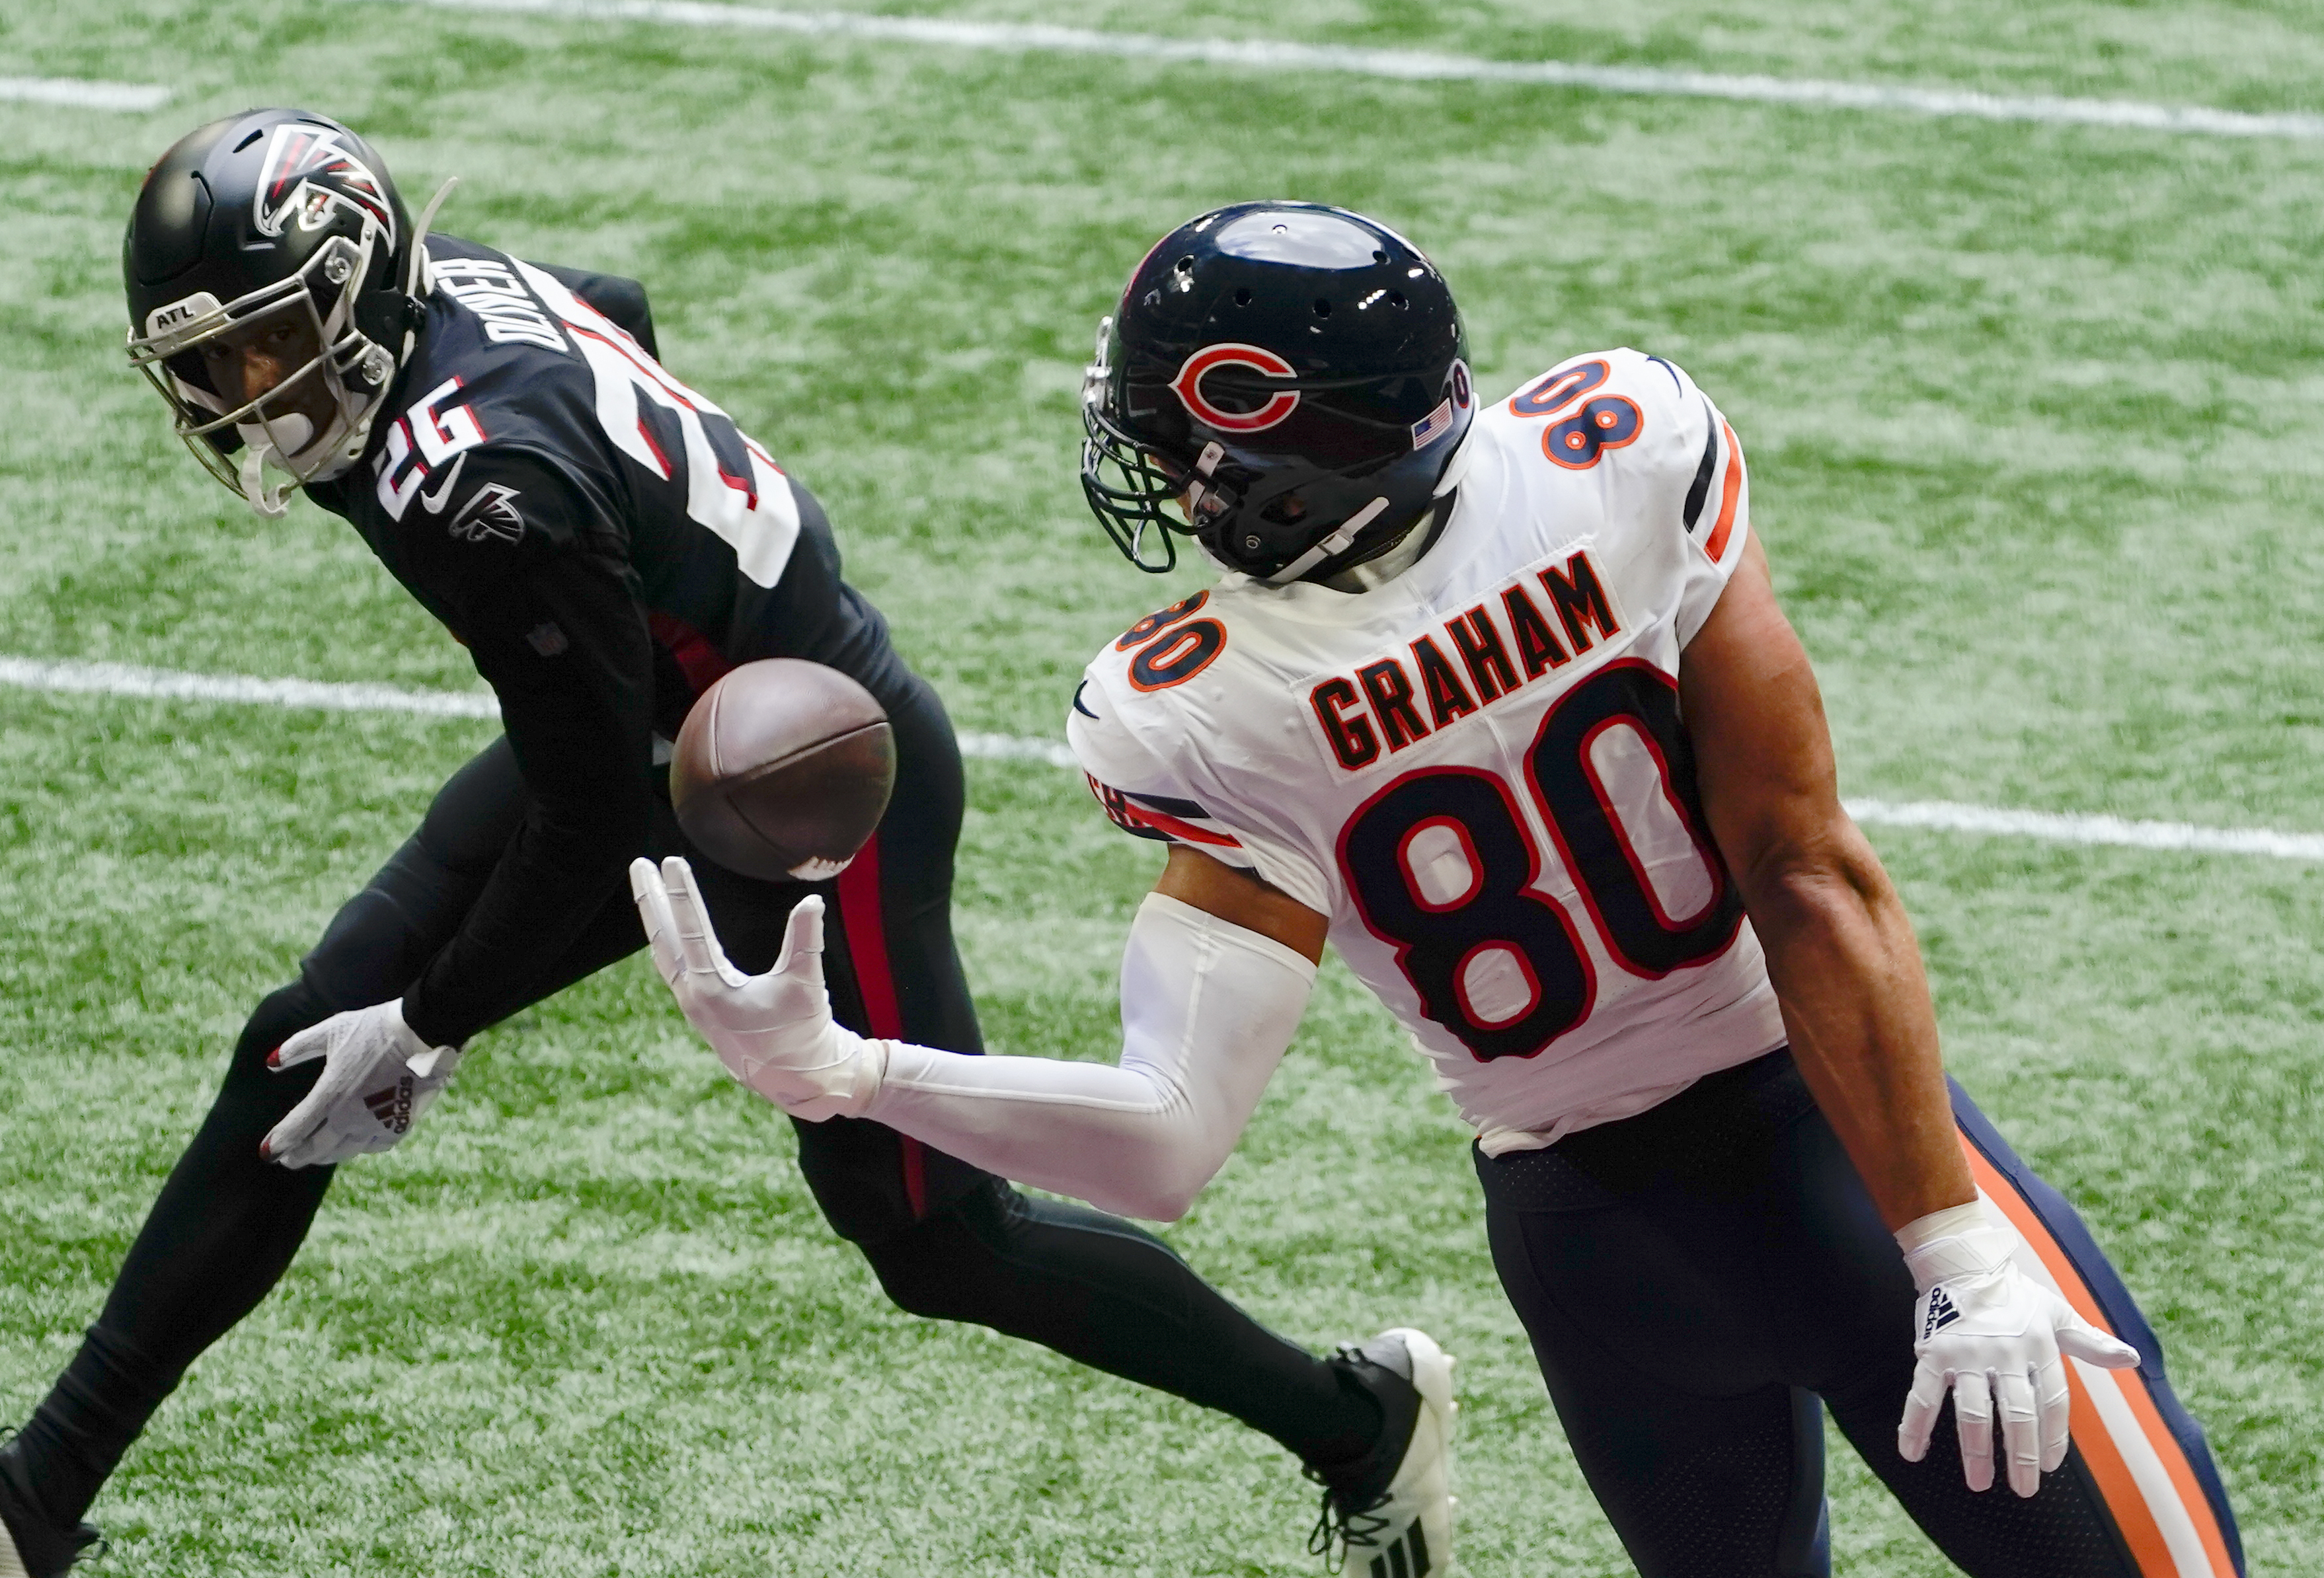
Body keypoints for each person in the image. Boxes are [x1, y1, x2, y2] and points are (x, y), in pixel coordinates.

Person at [633, 201, 2249, 1578]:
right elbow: (1805, 874)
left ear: (1288, 460)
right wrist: (1954, 1250)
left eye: (1192, 448)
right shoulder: (1618, 451)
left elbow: (1166, 1137)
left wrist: (848, 1076)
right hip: (1834, 1148)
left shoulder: (1196, 697)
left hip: (1589, 1244)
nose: (1171, 482)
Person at [0, 122, 1457, 1578]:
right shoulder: (450, 291)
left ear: (352, 297)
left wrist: (434, 1020)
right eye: (208, 361)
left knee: (943, 1241)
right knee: (299, 1047)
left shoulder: (481, 492)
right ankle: (27, 1503)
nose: (234, 392)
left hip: (813, 788)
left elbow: (591, 813)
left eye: (259, 345)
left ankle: (1356, 1421)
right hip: (685, 728)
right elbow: (612, 313)